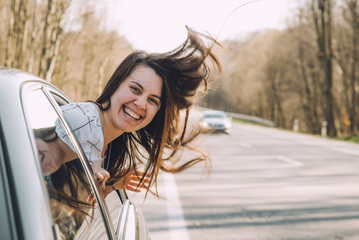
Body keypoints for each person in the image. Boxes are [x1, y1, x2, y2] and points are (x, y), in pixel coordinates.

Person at [37, 26, 222, 199]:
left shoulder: (110, 148)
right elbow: (49, 142)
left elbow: (79, 205)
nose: (141, 104)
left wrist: (113, 185)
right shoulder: (83, 118)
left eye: (153, 100)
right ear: (116, 85)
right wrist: (83, 167)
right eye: (135, 89)